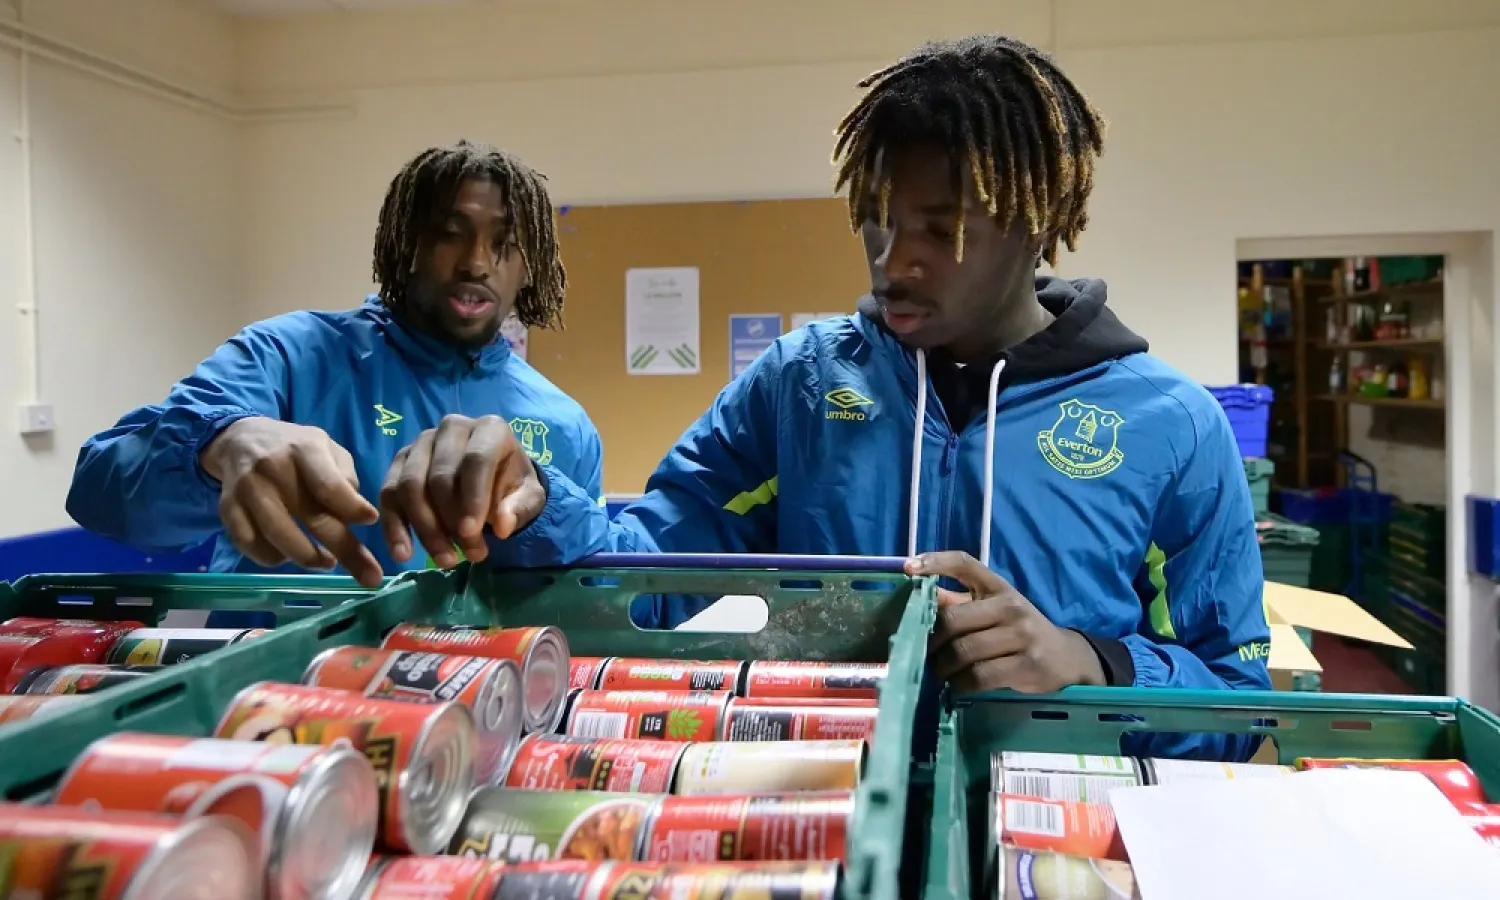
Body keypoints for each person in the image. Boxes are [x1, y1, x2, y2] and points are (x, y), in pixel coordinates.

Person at [379, 37, 1271, 760]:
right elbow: (644, 570)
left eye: (941, 226)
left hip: (1051, 837)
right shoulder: (802, 384)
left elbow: (1240, 700)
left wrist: (1095, 663)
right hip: (821, 816)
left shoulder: (1172, 425)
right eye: (878, 216)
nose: (895, 258)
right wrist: (527, 498)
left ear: (1036, 222)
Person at [67, 140, 601, 589]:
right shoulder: (290, 356)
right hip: (277, 701)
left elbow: (589, 590)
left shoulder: (564, 422)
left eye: (505, 243)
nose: (477, 263)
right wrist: (218, 445)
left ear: (531, 270)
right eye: (449, 234)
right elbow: (99, 490)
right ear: (406, 244)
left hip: (475, 701)